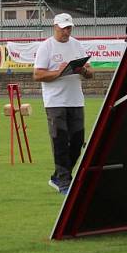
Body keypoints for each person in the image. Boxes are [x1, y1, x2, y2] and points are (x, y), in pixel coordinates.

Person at [33, 13, 93, 195]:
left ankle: (58, 176)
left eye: (69, 28)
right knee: (60, 141)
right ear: (55, 27)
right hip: (55, 101)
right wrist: (59, 72)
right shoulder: (46, 47)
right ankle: (65, 182)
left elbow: (91, 72)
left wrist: (84, 71)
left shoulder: (77, 45)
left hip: (76, 100)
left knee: (77, 142)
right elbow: (37, 75)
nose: (66, 31)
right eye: (63, 28)